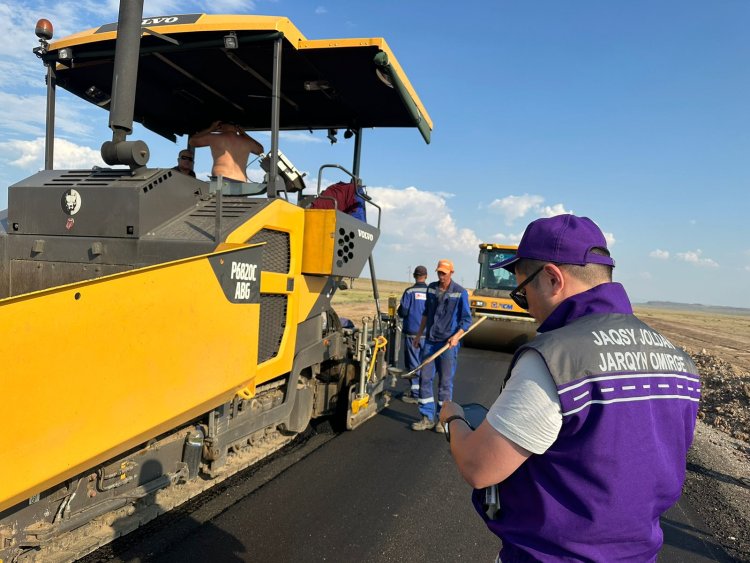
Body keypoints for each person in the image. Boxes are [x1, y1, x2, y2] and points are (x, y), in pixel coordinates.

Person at [439, 214, 701, 562]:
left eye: (522, 292)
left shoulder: (556, 358)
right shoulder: (680, 362)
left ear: (551, 279)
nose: (528, 308)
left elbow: (478, 467)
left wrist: (453, 418)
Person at [411, 259, 471, 431]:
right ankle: (426, 417)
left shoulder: (460, 293)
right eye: (439, 273)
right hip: (430, 341)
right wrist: (418, 335)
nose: (441, 276)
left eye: (444, 273)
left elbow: (466, 320)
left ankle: (442, 420)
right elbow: (426, 313)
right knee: (425, 378)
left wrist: (456, 337)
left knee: (445, 383)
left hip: (447, 345)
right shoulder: (431, 288)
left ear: (451, 273)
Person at [189, 120, 264, 183]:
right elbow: (260, 150)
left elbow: (192, 141)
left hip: (221, 180)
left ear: (221, 125)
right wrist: (244, 134)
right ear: (236, 127)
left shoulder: (215, 137)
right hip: (241, 182)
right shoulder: (247, 142)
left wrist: (210, 129)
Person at [397, 265, 429, 403]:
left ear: (415, 276)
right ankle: (424, 391)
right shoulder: (431, 292)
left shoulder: (409, 292)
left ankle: (415, 393)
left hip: (412, 333)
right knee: (425, 363)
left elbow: (403, 310)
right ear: (426, 276)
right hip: (428, 333)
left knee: (413, 363)